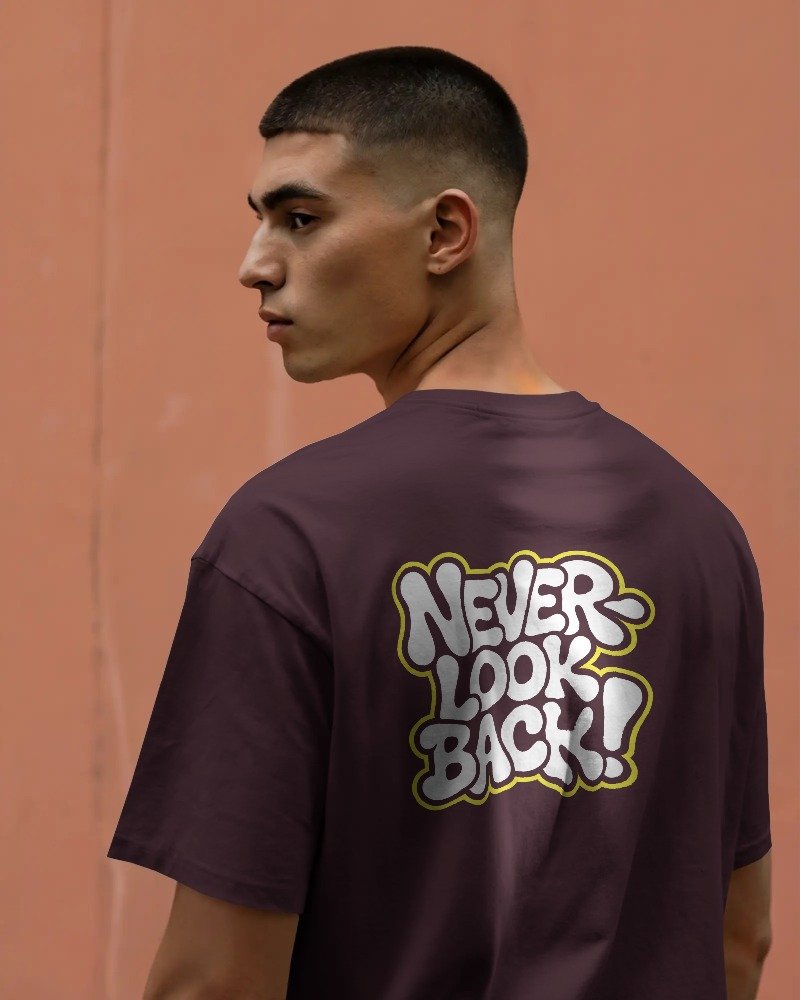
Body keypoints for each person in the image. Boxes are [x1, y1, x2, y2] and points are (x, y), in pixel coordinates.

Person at [106, 45, 772, 1000]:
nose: (255, 266)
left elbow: (214, 982)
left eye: (301, 219)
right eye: (260, 221)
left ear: (445, 232)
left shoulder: (289, 538)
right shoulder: (702, 533)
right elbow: (739, 938)